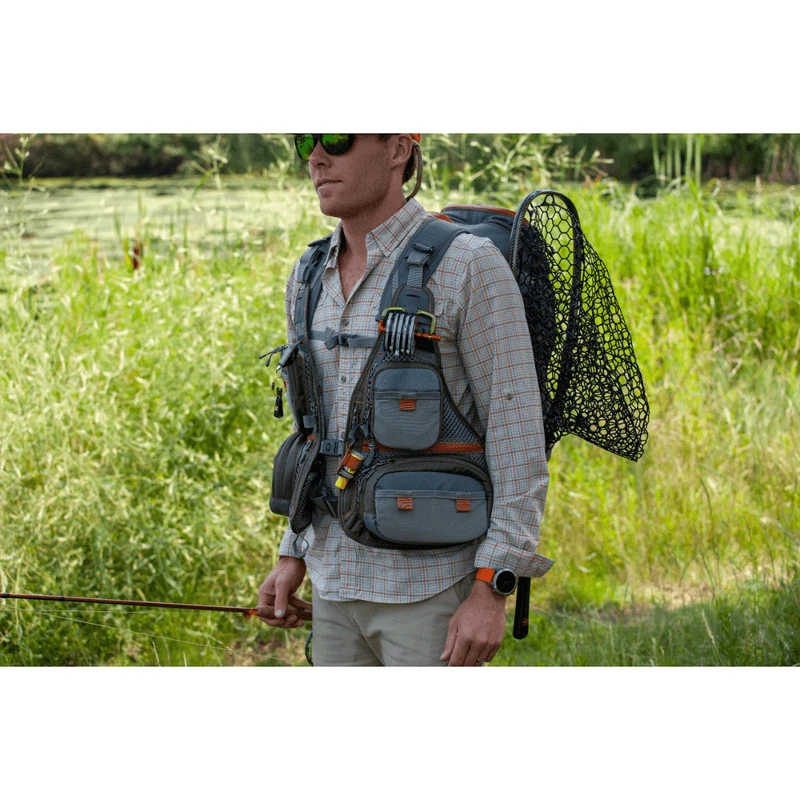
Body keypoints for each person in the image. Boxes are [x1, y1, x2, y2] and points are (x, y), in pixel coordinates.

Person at [257, 134, 552, 666]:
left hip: (432, 590)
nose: (317, 157)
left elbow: (517, 438)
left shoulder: (469, 265)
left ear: (397, 150)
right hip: (331, 583)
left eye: (337, 138)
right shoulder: (307, 274)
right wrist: (292, 553)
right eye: (305, 141)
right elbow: (317, 436)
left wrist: (492, 586)